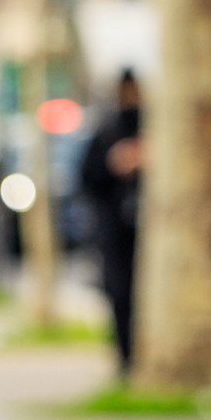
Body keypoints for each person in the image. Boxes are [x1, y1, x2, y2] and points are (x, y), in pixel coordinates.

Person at [79, 68, 142, 374]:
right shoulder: (106, 132)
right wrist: (113, 163)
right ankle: (125, 360)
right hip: (116, 232)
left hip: (149, 234)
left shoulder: (157, 129)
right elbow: (87, 178)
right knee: (120, 297)